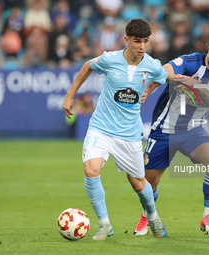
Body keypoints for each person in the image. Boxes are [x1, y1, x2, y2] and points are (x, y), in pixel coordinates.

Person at [62, 18, 168, 240]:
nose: (141, 46)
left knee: (139, 184)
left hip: (129, 134)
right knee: (91, 171)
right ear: (126, 39)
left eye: (146, 42)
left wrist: (150, 88)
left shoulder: (151, 65)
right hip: (100, 128)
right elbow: (86, 67)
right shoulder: (110, 59)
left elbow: (163, 76)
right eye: (137, 41)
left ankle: (153, 217)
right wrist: (70, 95)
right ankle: (104, 224)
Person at [133, 29, 209, 236]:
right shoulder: (190, 61)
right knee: (147, 183)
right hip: (163, 130)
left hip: (192, 131)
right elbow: (163, 71)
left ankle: (208, 216)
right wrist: (162, 82)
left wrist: (192, 83)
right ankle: (147, 216)